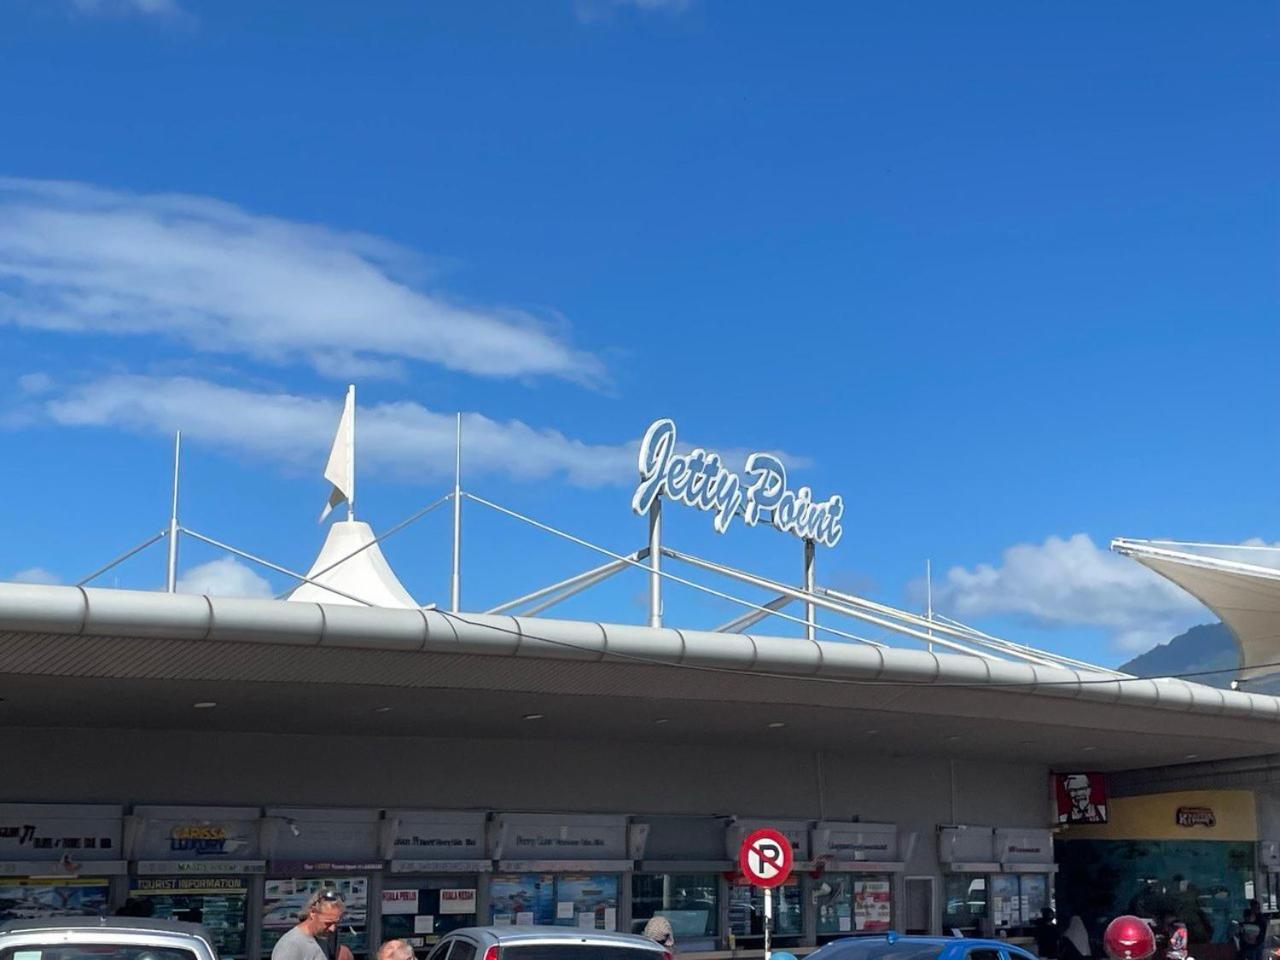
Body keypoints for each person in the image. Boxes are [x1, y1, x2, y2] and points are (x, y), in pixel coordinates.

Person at [272, 888, 345, 960]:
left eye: (336, 923)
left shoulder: (321, 939)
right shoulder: (291, 944)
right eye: (328, 923)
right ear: (313, 912)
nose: (332, 928)